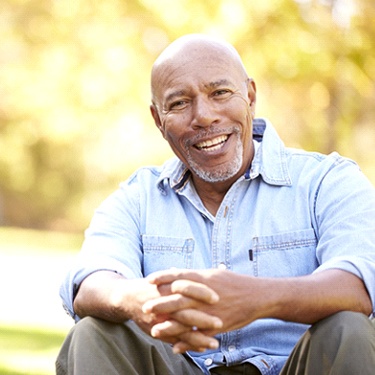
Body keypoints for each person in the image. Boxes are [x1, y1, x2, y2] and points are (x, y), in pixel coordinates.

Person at [56, 34, 375, 375]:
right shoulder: (138, 198)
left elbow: (360, 283)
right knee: (92, 333)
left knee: (348, 329)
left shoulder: (327, 180)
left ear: (250, 97)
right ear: (158, 119)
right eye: (179, 103)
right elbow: (90, 283)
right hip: (180, 366)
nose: (204, 117)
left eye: (220, 93)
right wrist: (140, 300)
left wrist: (257, 298)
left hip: (294, 367)